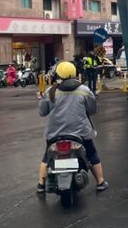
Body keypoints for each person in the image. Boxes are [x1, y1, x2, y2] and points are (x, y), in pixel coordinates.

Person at [36, 61, 108, 193]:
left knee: (47, 156)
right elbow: (92, 110)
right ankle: (100, 182)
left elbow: (42, 112)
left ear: (57, 75)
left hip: (55, 134)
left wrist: (41, 99)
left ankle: (41, 185)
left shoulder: (50, 91)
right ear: (74, 73)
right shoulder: (84, 90)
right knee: (91, 153)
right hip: (81, 133)